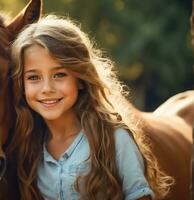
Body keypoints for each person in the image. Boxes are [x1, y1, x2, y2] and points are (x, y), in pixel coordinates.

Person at [10, 15, 173, 200]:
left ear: (80, 78)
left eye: (59, 74)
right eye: (33, 77)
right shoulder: (26, 148)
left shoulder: (114, 139)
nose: (47, 89)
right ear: (20, 84)